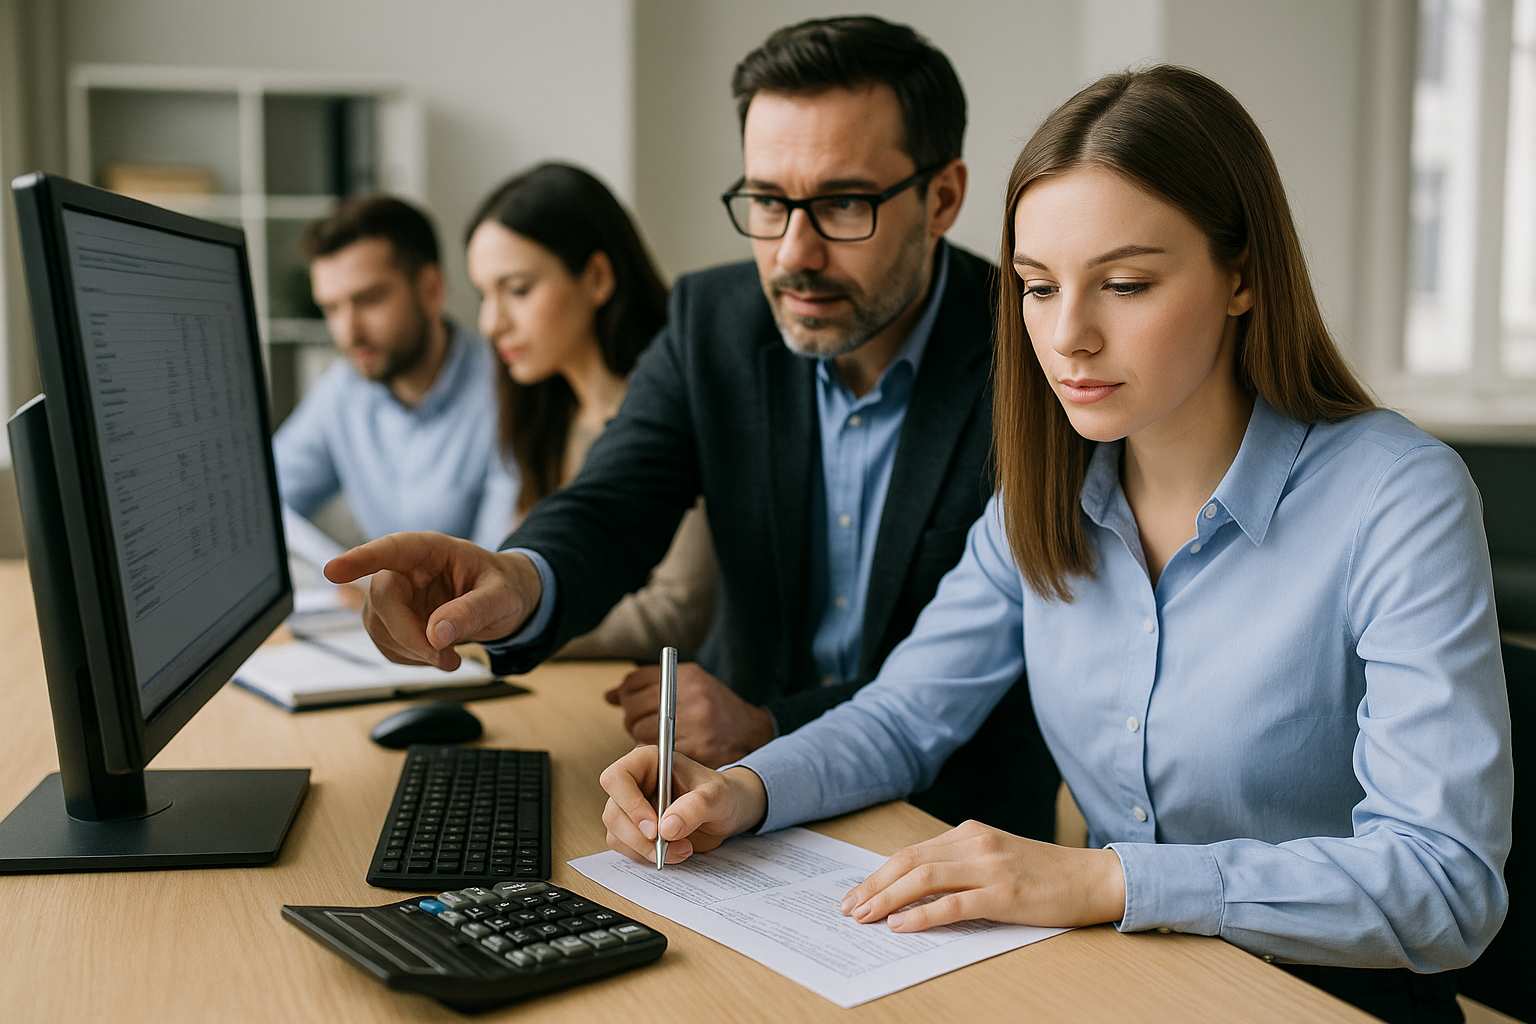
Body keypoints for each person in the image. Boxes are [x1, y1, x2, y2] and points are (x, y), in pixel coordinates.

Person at [597, 66, 1513, 1024]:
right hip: (1117, 989)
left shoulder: (1395, 495)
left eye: (1123, 283)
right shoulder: (1049, 487)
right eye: (1037, 287)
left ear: (1242, 275)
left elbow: (1445, 888)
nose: (1067, 335)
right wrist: (737, 791)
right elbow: (904, 718)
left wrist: (1108, 881)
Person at [326, 16, 1061, 840]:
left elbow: (1011, 660)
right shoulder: (712, 320)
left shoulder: (1038, 357)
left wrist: (771, 724)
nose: (793, 254)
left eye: (843, 204)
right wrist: (518, 582)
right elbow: (615, 499)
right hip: (723, 811)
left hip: (955, 829)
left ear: (944, 197)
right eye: (766, 202)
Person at [464, 162, 716, 660]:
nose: (491, 323)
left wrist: (483, 631)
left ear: (598, 278)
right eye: (482, 295)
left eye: (517, 290)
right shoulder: (549, 415)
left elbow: (672, 614)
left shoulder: (676, 421)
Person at [275, 194, 514, 550]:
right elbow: (260, 501)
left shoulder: (509, 393)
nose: (348, 332)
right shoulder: (341, 391)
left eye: (370, 300)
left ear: (432, 290)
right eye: (331, 308)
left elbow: (501, 569)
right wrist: (338, 576)